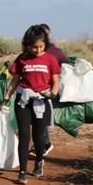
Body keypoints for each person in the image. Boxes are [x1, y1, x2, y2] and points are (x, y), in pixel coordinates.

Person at [0, 25, 60, 185]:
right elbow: (14, 81)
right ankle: (22, 172)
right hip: (23, 100)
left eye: (41, 46)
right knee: (24, 136)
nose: (38, 50)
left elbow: (56, 82)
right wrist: (6, 98)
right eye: (35, 47)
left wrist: (52, 94)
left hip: (41, 101)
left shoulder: (50, 59)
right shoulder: (22, 59)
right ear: (27, 45)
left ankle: (39, 160)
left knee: (39, 138)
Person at [36, 23, 67, 156]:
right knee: (39, 118)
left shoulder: (54, 52)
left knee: (40, 118)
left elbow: (65, 70)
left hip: (47, 90)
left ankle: (44, 144)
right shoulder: (55, 52)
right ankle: (43, 143)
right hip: (40, 89)